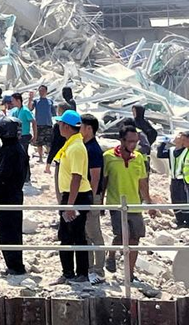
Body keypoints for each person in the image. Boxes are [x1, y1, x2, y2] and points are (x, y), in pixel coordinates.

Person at [102, 125, 155, 281]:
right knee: (120, 234)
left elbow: (143, 182)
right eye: (130, 141)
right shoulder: (108, 157)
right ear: (122, 140)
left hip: (134, 203)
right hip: (115, 202)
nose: (133, 145)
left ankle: (129, 273)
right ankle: (111, 254)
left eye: (135, 142)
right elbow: (104, 181)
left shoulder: (138, 158)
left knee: (135, 238)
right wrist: (100, 203)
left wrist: (149, 203)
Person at [53, 109, 92, 283]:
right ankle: (68, 272)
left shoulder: (76, 147)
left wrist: (70, 205)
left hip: (76, 196)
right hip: (71, 195)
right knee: (67, 234)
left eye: (60, 124)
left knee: (76, 235)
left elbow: (76, 177)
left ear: (66, 126)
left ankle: (81, 273)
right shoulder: (71, 143)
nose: (58, 127)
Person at [0, 118, 28, 275]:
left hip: (6, 197)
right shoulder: (18, 149)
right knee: (14, 232)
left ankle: (14, 265)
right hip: (15, 195)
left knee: (7, 233)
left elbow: (2, 177)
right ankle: (16, 263)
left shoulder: (8, 151)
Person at [80, 114, 106, 284]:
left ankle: (99, 269)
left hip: (92, 195)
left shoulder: (94, 150)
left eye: (81, 126)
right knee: (86, 234)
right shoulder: (85, 146)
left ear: (89, 128)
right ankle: (89, 268)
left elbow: (95, 177)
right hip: (87, 195)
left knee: (94, 233)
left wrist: (91, 198)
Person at [158, 133, 189, 228]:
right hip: (174, 179)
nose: (175, 138)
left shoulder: (186, 151)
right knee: (175, 199)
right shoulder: (171, 150)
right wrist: (163, 143)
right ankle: (179, 220)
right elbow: (160, 154)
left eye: (178, 137)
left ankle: (187, 220)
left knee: (184, 199)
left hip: (183, 180)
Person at [31, 85, 54, 163]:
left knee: (49, 143)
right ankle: (40, 158)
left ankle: (49, 158)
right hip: (38, 124)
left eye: (43, 90)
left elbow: (54, 113)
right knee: (39, 142)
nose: (41, 92)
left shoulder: (50, 101)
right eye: (40, 91)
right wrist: (30, 98)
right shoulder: (36, 101)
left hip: (48, 124)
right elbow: (30, 108)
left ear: (46, 92)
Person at [131, 105, 158, 171]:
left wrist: (147, 141)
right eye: (133, 111)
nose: (133, 113)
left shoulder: (144, 122)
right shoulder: (133, 122)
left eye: (135, 111)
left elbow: (153, 133)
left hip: (144, 148)